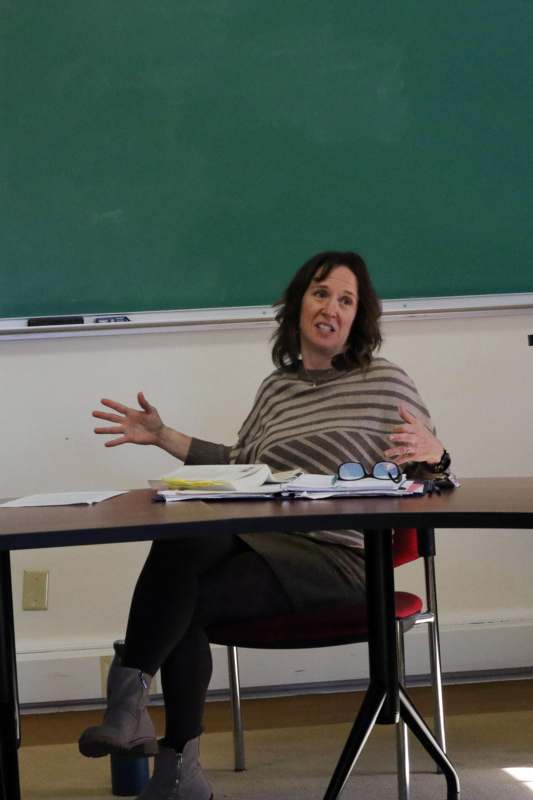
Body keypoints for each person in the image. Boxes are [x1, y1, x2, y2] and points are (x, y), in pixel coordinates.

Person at [79, 250, 450, 800]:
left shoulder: (386, 383)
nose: (331, 308)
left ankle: (156, 742)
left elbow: (427, 471)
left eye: (346, 300)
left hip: (339, 559)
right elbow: (243, 467)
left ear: (358, 317)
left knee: (181, 605)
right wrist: (163, 436)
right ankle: (153, 741)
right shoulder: (276, 388)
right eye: (321, 293)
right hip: (264, 539)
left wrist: (438, 452)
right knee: (183, 549)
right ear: (299, 304)